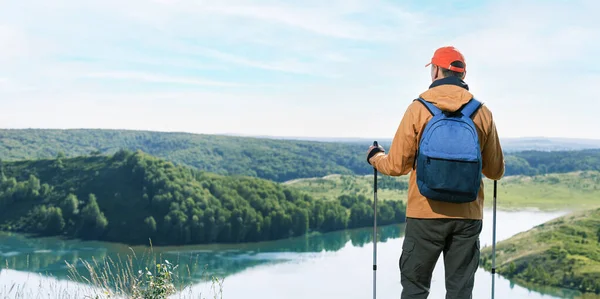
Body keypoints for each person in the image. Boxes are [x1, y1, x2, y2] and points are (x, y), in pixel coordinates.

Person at [366, 46, 505, 299]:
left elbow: (397, 165)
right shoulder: (482, 112)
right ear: (462, 75)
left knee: (415, 289)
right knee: (460, 291)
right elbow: (495, 171)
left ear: (437, 71)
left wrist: (376, 158)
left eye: (432, 68)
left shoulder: (418, 109)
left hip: (424, 214)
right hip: (467, 216)